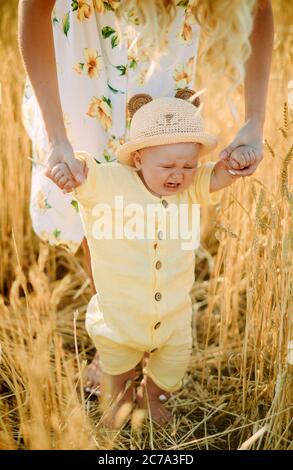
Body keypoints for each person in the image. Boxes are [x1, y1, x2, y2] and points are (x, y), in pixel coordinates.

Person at [18, 0, 274, 394]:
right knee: (94, 191)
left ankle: (153, 328)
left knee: (160, 191)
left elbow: (258, 8)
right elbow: (34, 6)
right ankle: (118, 335)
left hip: (161, 55)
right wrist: (56, 137)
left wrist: (255, 119)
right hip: (87, 54)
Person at [50, 90, 257, 427]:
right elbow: (86, 175)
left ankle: (152, 393)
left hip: (173, 317)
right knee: (116, 367)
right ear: (138, 159)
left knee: (171, 368)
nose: (179, 174)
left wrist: (237, 162)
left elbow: (218, 175)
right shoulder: (113, 182)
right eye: (168, 166)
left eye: (189, 165)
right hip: (121, 317)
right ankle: (119, 394)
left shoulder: (189, 187)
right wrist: (72, 169)